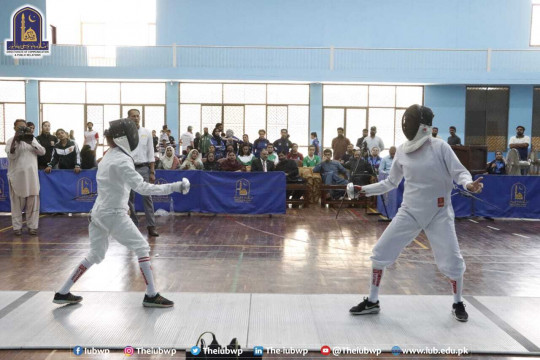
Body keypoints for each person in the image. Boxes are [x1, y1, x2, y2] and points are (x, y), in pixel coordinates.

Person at [347, 104, 483, 322]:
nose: (406, 124)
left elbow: (460, 173)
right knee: (380, 253)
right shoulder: (401, 150)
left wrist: (468, 185)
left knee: (453, 261)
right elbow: (391, 182)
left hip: (439, 213)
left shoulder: (440, 147)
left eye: (410, 120)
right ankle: (372, 301)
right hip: (409, 211)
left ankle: (457, 302)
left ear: (422, 126)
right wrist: (363, 190)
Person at [53, 118, 190, 307]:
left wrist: (123, 207)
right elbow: (142, 187)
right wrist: (175, 186)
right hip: (113, 214)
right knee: (142, 248)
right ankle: (151, 294)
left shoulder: (108, 155)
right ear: (125, 138)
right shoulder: (123, 161)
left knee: (95, 254)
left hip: (98, 213)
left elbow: (115, 188)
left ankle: (62, 292)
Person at [5, 119, 46, 236]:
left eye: (24, 127)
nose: (22, 130)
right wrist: (17, 141)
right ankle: (17, 227)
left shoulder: (32, 140)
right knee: (16, 204)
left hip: (31, 178)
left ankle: (33, 227)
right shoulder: (10, 141)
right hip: (16, 178)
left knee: (33, 203)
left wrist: (31, 141)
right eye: (20, 128)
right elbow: (12, 156)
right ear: (15, 128)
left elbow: (42, 152)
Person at [126, 109, 159, 237]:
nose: (136, 118)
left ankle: (151, 226)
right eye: (133, 116)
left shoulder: (147, 132)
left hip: (144, 168)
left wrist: (152, 171)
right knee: (129, 198)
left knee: (147, 197)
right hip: (129, 168)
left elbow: (151, 152)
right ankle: (133, 225)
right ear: (128, 118)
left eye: (138, 116)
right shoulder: (124, 134)